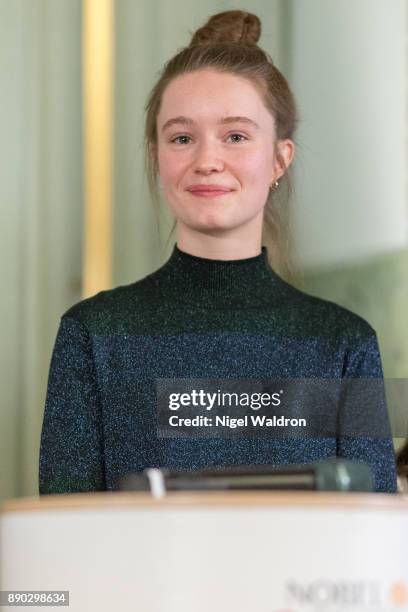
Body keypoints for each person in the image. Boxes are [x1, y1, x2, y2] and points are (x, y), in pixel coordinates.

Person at [39, 10, 397, 494]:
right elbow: (66, 541)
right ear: (156, 156)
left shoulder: (342, 344)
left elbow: (368, 540)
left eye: (236, 136)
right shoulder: (94, 336)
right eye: (182, 138)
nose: (207, 161)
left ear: (279, 157)